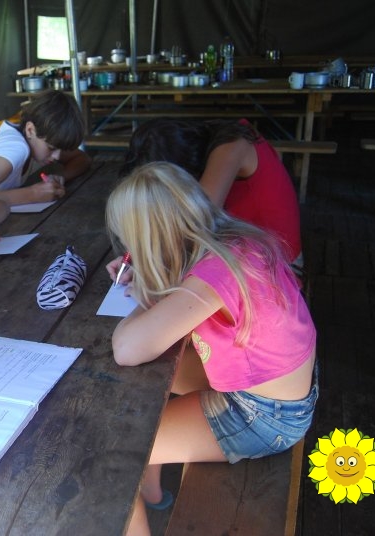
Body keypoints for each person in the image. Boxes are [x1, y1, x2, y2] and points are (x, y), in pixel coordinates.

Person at [105, 162, 317, 536]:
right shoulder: (230, 244)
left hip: (266, 415)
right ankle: (152, 493)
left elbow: (126, 347)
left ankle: (142, 488)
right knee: (150, 379)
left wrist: (147, 291)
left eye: (132, 244)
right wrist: (155, 274)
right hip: (276, 389)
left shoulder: (214, 275)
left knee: (123, 449)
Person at [122, 118, 302, 265]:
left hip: (280, 264)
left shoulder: (231, 147)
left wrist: (144, 260)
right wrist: (137, 256)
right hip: (250, 248)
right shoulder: (218, 137)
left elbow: (195, 224)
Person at [0, 89, 92, 206]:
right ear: (30, 130)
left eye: (60, 149)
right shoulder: (17, 147)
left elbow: (82, 158)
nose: (57, 156)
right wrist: (33, 194)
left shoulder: (36, 142)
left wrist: (60, 177)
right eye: (51, 148)